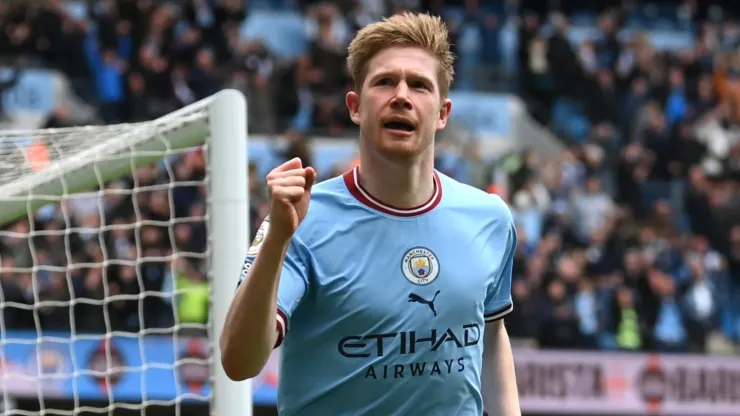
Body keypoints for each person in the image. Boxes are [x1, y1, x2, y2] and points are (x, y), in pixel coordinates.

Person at [220, 12, 521, 416]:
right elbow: (239, 363)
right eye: (384, 82)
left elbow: (490, 334)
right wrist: (277, 239)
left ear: (443, 112)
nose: (401, 95)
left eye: (419, 85)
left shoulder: (490, 218)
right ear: (356, 106)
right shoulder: (299, 219)